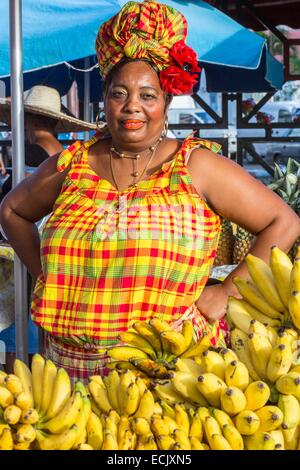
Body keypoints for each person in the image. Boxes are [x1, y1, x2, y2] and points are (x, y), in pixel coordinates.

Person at [0, 1, 299, 382]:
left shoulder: (196, 165)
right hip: (68, 374)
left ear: (167, 102)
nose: (131, 108)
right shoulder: (72, 164)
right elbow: (13, 210)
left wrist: (226, 292)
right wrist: (46, 276)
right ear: (104, 100)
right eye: (119, 94)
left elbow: (283, 221)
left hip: (169, 372)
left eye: (147, 96)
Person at [0, 85, 96, 372]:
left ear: (29, 119)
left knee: (18, 336)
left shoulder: (28, 155)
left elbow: (11, 209)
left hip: (27, 253)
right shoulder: (67, 156)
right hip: (60, 255)